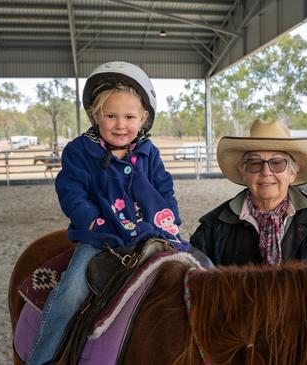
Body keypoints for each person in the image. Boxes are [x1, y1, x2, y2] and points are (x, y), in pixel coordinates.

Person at [26, 61, 193, 365]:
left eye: (129, 116)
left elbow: (164, 188)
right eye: (111, 115)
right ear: (95, 116)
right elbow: (71, 191)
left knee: (197, 272)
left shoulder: (148, 152)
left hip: (151, 233)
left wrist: (170, 220)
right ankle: (41, 357)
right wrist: (91, 220)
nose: (120, 124)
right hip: (100, 237)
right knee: (71, 292)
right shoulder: (80, 151)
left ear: (143, 119)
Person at [191, 119, 307, 266]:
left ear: (292, 172)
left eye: (277, 163)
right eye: (255, 163)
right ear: (243, 171)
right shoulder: (211, 230)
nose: (266, 172)